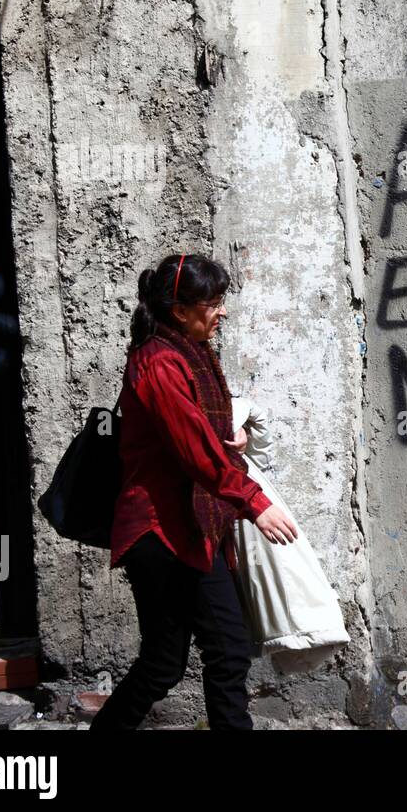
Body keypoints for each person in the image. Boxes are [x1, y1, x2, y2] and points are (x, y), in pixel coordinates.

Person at [91, 253, 299, 730]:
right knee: (189, 659)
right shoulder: (158, 363)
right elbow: (193, 449)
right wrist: (254, 503)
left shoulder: (192, 351)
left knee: (204, 655)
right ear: (179, 310)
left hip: (194, 527)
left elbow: (206, 431)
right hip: (161, 532)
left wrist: (234, 435)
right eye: (212, 303)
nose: (221, 311)